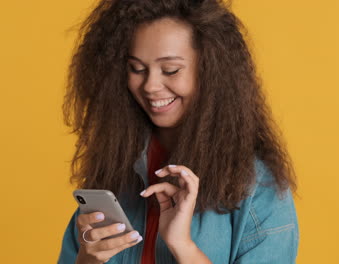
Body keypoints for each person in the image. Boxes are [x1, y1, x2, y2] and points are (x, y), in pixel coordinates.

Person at [58, 0, 299, 263]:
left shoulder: (258, 187)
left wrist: (182, 245)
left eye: (170, 70)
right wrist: (87, 259)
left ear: (211, 70)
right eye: (136, 69)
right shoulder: (115, 168)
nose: (151, 85)